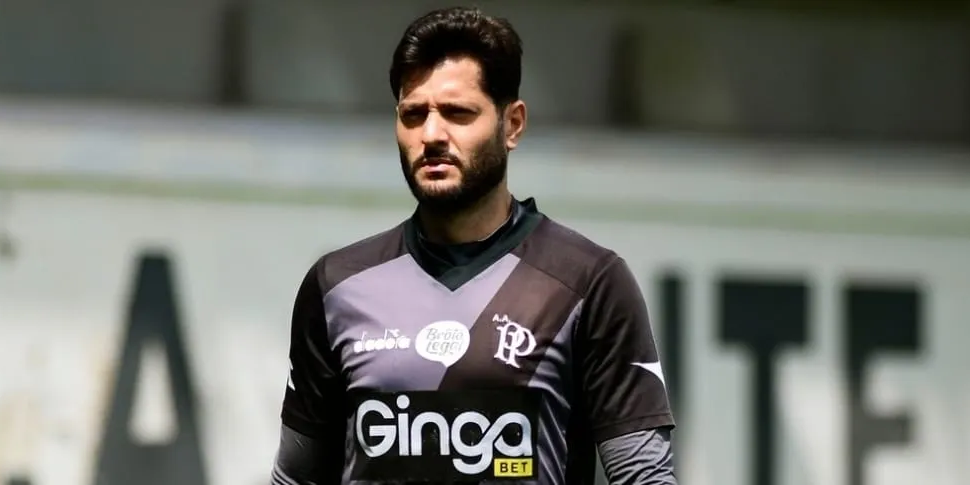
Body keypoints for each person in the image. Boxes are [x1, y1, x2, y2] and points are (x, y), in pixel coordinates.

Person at [271, 6, 677, 485]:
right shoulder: (337, 286)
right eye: (413, 114)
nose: (431, 135)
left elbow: (645, 479)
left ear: (513, 124)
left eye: (458, 113)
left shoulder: (590, 282)